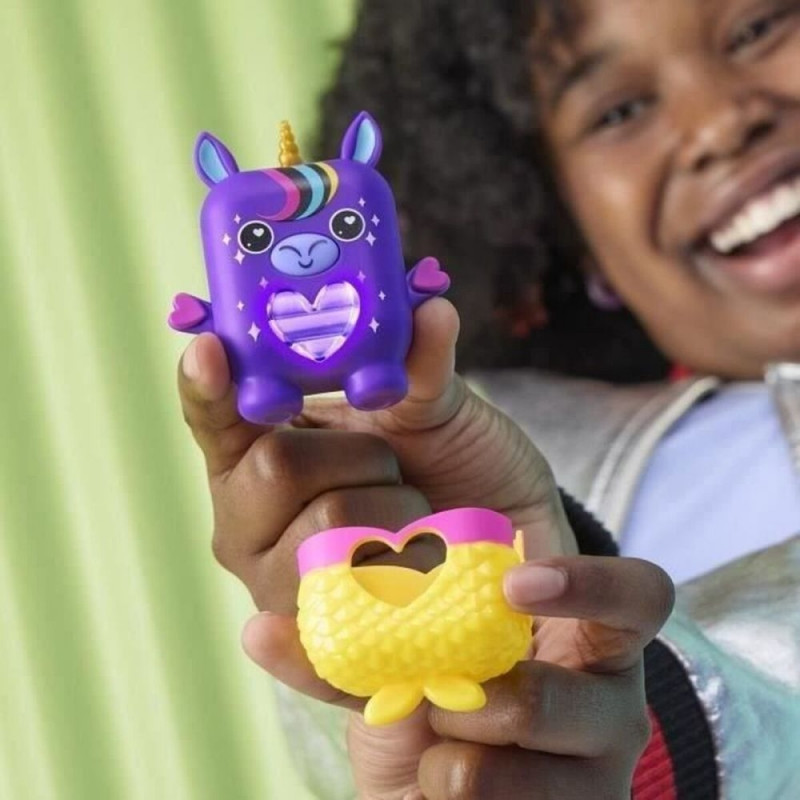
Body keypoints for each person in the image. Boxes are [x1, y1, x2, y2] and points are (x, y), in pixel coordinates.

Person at [178, 0, 800, 797]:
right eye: (618, 112)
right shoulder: (506, 494)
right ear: (562, 234)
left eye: (757, 29)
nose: (720, 124)